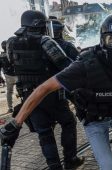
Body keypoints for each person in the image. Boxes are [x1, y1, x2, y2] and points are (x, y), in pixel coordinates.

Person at [0, 13, 112, 170]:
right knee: (108, 167)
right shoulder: (85, 64)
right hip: (94, 120)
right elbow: (44, 88)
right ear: (103, 40)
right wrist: (16, 123)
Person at [4, 10, 83, 169]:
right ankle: (70, 160)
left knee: (44, 133)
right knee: (68, 122)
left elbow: (13, 66)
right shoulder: (45, 41)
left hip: (29, 97)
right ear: (39, 25)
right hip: (51, 94)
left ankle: (54, 167)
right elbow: (65, 65)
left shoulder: (11, 43)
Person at [0, 40, 17, 114]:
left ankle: (10, 108)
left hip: (8, 76)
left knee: (9, 92)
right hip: (17, 75)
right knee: (24, 90)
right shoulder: (13, 53)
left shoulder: (1, 56)